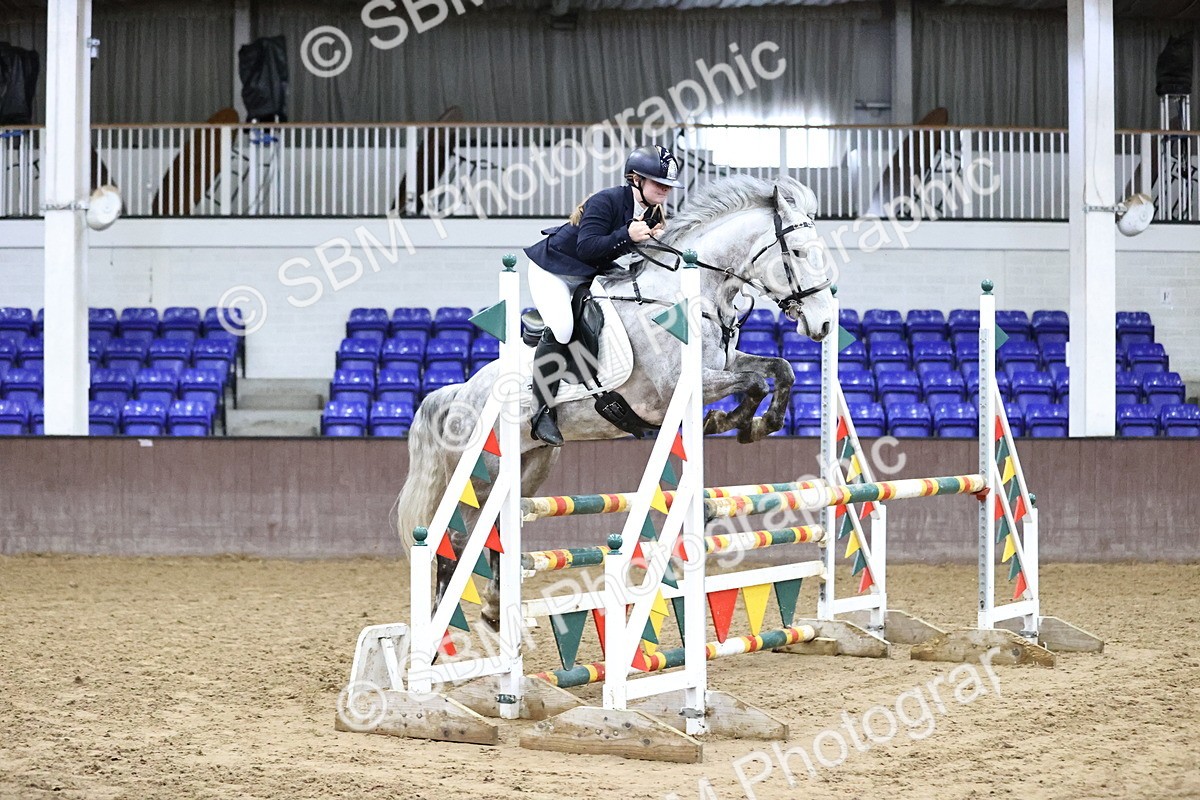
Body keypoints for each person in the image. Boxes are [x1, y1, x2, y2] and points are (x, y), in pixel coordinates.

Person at [522, 144, 684, 446]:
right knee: (563, 327)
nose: (665, 189)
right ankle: (541, 412)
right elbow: (587, 247)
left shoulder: (654, 213)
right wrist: (628, 236)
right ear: (636, 179)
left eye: (669, 185)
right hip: (553, 270)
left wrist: (650, 242)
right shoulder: (606, 201)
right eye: (658, 182)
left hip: (589, 273)